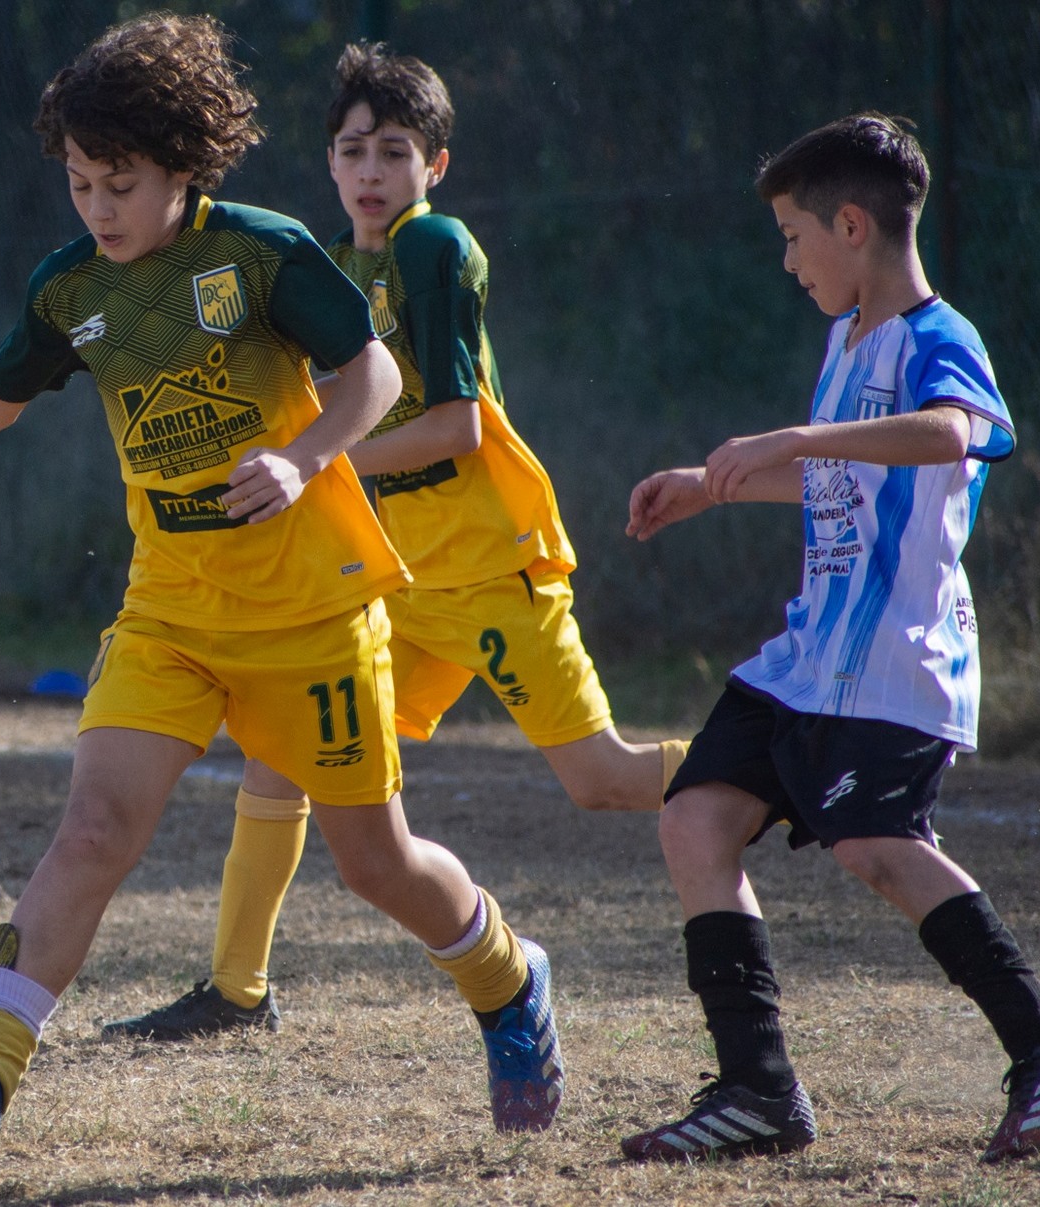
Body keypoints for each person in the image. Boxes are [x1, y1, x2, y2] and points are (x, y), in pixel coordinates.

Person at [0, 15, 565, 1155]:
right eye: (80, 182)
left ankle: (505, 976)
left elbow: (374, 373)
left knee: (374, 863)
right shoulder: (70, 288)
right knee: (91, 828)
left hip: (309, 612)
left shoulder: (262, 252)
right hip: (170, 612)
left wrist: (302, 455)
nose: (96, 206)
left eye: (120, 183)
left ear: (183, 166)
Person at [104, 42, 688, 1047]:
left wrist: (310, 462)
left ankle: (777, 770)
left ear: (435, 166)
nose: (369, 172)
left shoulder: (433, 248)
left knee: (599, 779)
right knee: (277, 763)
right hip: (392, 572)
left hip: (482, 559)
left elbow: (456, 426)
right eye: (350, 151)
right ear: (326, 163)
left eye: (392, 151)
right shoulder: (331, 261)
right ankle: (235, 990)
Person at [618, 112, 1040, 1163]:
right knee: (693, 819)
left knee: (876, 849)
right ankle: (757, 1090)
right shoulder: (842, 341)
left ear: (850, 224)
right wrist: (720, 488)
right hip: (807, 655)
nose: (787, 259)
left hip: (893, 662)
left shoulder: (941, 339)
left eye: (794, 236)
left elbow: (951, 433)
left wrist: (788, 436)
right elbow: (840, 479)